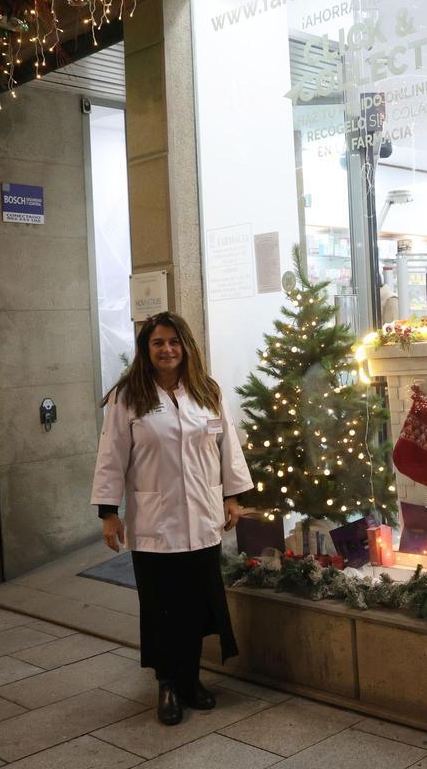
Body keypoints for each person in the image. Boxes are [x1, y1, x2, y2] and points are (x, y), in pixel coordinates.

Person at [90, 311, 252, 726]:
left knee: (197, 607)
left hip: (201, 518)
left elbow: (227, 446)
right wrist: (109, 514)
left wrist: (232, 496)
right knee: (161, 609)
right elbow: (110, 457)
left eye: (174, 342)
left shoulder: (206, 391)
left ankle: (192, 679)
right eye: (158, 343)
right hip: (154, 524)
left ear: (187, 347)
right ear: (147, 349)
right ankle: (167, 684)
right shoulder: (128, 396)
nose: (167, 350)